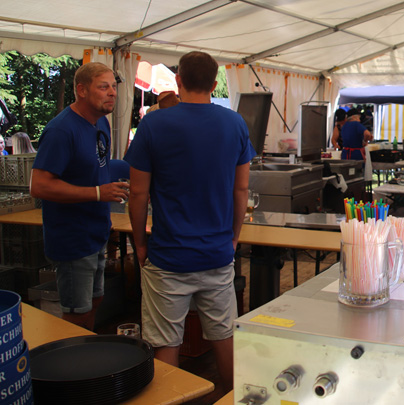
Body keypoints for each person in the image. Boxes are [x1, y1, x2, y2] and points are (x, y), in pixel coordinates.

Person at [125, 52, 255, 392]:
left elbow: (137, 193)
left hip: (168, 254)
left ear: (178, 80)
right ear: (214, 84)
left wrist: (139, 243)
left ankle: (171, 399)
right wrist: (233, 238)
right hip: (217, 253)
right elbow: (241, 189)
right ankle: (232, 397)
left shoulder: (153, 124)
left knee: (166, 341)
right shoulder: (235, 123)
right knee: (224, 335)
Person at [30, 62, 129, 329]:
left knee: (95, 302)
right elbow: (39, 186)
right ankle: (73, 354)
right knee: (76, 313)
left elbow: (96, 168)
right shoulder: (61, 130)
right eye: (103, 87)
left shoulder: (101, 123)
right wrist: (97, 193)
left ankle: (86, 350)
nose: (112, 92)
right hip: (73, 238)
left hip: (96, 232)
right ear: (82, 90)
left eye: (113, 86)